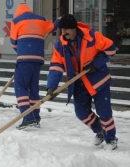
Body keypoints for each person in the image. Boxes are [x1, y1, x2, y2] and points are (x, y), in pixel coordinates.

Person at [46, 14, 118, 150]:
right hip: (78, 83)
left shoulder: (92, 37)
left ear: (74, 28)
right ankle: (100, 130)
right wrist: (51, 86)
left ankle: (111, 139)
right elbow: (56, 66)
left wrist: (96, 64)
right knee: (81, 113)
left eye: (66, 29)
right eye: (62, 30)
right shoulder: (60, 46)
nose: (64, 33)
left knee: (104, 113)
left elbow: (111, 49)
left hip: (98, 81)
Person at [10, 3, 61, 130]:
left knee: (20, 87)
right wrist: (59, 20)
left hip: (24, 59)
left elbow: (13, 42)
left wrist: (21, 52)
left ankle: (27, 118)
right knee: (33, 88)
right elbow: (53, 27)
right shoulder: (41, 19)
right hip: (38, 60)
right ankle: (35, 118)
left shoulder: (16, 21)